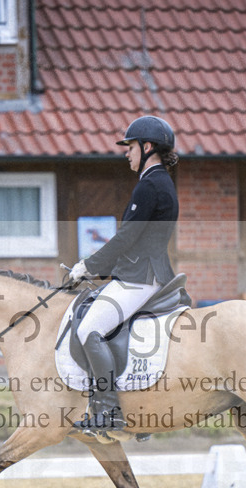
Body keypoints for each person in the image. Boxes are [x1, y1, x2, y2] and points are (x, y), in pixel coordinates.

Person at [65, 115, 180, 432]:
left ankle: (107, 411)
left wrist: (88, 265)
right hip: (141, 271)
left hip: (140, 277)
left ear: (146, 147)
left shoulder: (150, 185)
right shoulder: (159, 182)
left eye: (129, 147)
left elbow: (126, 237)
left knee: (89, 329)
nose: (126, 153)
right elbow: (136, 240)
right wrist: (102, 270)